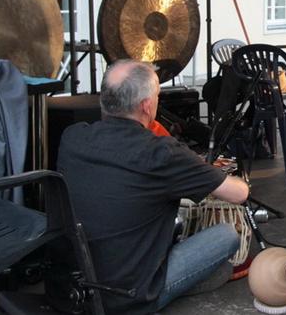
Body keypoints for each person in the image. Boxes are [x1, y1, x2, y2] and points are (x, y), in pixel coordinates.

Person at [57, 60, 249, 314]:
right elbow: (238, 194)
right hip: (128, 297)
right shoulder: (162, 152)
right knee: (226, 236)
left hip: (71, 290)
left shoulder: (72, 137)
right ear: (147, 105)